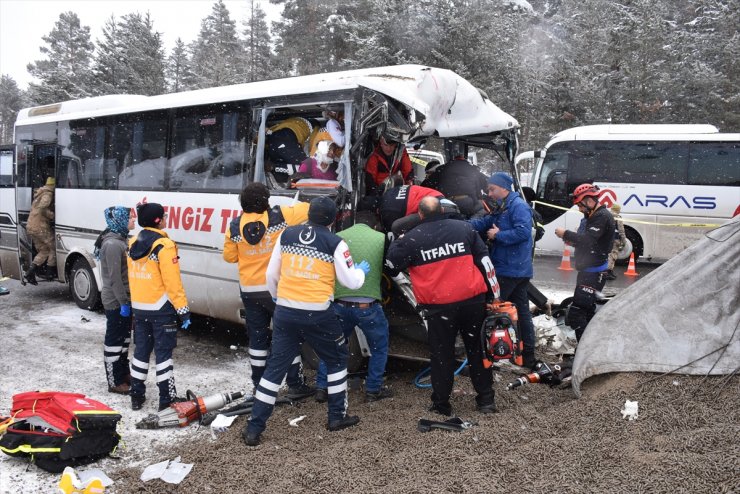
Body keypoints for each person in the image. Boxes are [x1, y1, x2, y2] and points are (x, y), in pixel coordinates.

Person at [243, 197, 369, 446]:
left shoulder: (287, 235)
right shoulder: (335, 242)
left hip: (286, 311)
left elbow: (271, 274)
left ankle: (254, 428)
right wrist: (361, 272)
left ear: (308, 214)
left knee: (275, 368)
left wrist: (279, 298)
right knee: (336, 360)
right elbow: (350, 282)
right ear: (334, 219)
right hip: (319, 313)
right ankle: (336, 417)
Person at [385, 196, 500, 416]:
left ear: (420, 214)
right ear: (442, 210)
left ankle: (441, 404)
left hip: (439, 307)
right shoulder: (464, 229)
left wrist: (398, 242)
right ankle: (486, 401)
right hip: (472, 302)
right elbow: (485, 263)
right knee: (478, 351)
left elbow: (391, 266)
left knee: (441, 355)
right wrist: (494, 296)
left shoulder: (411, 239)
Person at [223, 182, 314, 400]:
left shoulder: (234, 226)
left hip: (249, 290)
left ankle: (259, 384)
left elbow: (230, 257)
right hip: (275, 289)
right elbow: (309, 209)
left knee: (257, 338)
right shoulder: (280, 216)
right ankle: (295, 383)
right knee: (288, 335)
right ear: (266, 201)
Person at [315, 210, 391, 404]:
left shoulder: (337, 238)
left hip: (340, 305)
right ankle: (373, 390)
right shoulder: (381, 238)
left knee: (332, 348)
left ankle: (323, 388)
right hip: (368, 307)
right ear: (374, 226)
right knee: (379, 348)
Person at [469, 172, 537, 369]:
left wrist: (499, 235)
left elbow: (524, 232)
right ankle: (526, 355)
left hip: (510, 270)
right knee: (521, 312)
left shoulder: (518, 206)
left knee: (492, 310)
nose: (489, 193)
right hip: (515, 269)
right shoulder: (504, 206)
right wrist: (459, 225)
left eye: (493, 189)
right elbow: (485, 223)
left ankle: (489, 355)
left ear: (505, 188)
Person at [127, 202, 191, 411]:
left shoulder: (133, 242)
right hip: (161, 309)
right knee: (163, 354)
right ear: (158, 221)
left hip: (140, 307)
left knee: (141, 352)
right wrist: (183, 310)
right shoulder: (164, 245)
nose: (165, 219)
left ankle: (136, 395)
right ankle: (167, 398)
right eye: (163, 217)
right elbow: (173, 282)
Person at [554, 184, 615, 342]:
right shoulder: (592, 216)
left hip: (593, 273)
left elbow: (588, 240)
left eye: (580, 205)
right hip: (589, 270)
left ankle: (584, 348)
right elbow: (590, 243)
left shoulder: (601, 217)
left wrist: (565, 233)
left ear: (589, 201)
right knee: (587, 311)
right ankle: (592, 345)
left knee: (576, 313)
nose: (579, 209)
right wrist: (572, 241)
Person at [94, 206, 135, 395]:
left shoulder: (121, 240)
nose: (133, 221)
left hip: (124, 299)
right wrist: (123, 302)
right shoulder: (112, 244)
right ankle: (114, 381)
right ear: (119, 220)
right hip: (116, 301)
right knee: (114, 341)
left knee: (124, 340)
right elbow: (114, 278)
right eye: (130, 218)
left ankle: (123, 373)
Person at [378, 178, 444, 236]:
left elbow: (393, 232)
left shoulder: (387, 212)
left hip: (431, 206)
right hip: (436, 196)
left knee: (397, 227)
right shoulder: (390, 191)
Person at [24, 177, 56, 285]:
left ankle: (30, 272)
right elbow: (42, 207)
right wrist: (52, 215)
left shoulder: (40, 192)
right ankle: (50, 271)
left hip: (31, 226)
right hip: (40, 227)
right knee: (54, 247)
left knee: (44, 250)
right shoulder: (48, 194)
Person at [265, 117, 313, 182]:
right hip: (293, 127)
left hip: (298, 128)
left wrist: (274, 167)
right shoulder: (277, 146)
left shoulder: (280, 145)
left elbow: (308, 168)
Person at [605, 203, 627, 281]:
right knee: (613, 255)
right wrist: (623, 241)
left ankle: (608, 271)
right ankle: (608, 272)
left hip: (606, 239)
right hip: (615, 239)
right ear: (617, 210)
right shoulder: (618, 217)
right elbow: (621, 231)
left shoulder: (606, 215)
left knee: (607, 255)